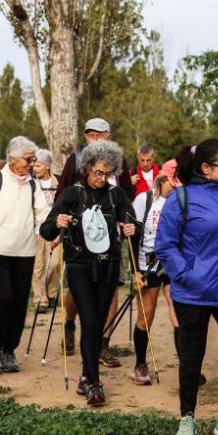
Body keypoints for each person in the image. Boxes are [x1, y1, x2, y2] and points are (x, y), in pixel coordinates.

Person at [153, 139, 218, 435]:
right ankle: (187, 418)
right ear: (206, 168)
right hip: (192, 292)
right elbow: (165, 245)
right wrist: (186, 274)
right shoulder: (180, 198)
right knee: (191, 356)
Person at [40, 141, 137, 407]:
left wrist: (131, 227)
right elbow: (46, 230)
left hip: (108, 265)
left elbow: (133, 221)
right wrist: (57, 222)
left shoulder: (116, 196)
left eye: (107, 174)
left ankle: (86, 375)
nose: (102, 178)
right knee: (91, 322)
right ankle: (94, 383)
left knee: (97, 324)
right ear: (87, 168)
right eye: (98, 173)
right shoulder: (72, 194)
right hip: (80, 265)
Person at [57, 117, 132, 355]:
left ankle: (102, 343)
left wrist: (129, 224)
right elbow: (62, 197)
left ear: (108, 136)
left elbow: (127, 197)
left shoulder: (120, 163)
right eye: (90, 134)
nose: (95, 139)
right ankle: (70, 323)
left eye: (100, 134)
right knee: (78, 293)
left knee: (111, 291)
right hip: (80, 243)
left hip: (111, 241)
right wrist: (61, 224)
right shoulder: (75, 160)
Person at [0, 136, 50, 374]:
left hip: (26, 252)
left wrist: (52, 232)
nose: (30, 164)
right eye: (27, 159)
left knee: (19, 303)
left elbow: (43, 214)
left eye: (32, 159)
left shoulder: (33, 184)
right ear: (11, 159)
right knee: (3, 299)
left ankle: (10, 350)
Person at [129, 174, 174, 385]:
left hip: (173, 264)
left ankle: (188, 366)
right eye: (172, 182)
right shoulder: (144, 200)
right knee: (146, 315)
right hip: (148, 264)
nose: (175, 186)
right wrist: (135, 270)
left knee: (179, 314)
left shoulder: (179, 200)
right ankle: (140, 364)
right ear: (162, 180)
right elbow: (132, 235)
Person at [32, 149, 62, 314]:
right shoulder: (31, 184)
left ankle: (51, 293)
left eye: (38, 165)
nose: (35, 169)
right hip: (36, 230)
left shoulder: (58, 183)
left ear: (48, 166)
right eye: (34, 165)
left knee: (55, 263)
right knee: (39, 266)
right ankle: (40, 299)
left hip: (55, 230)